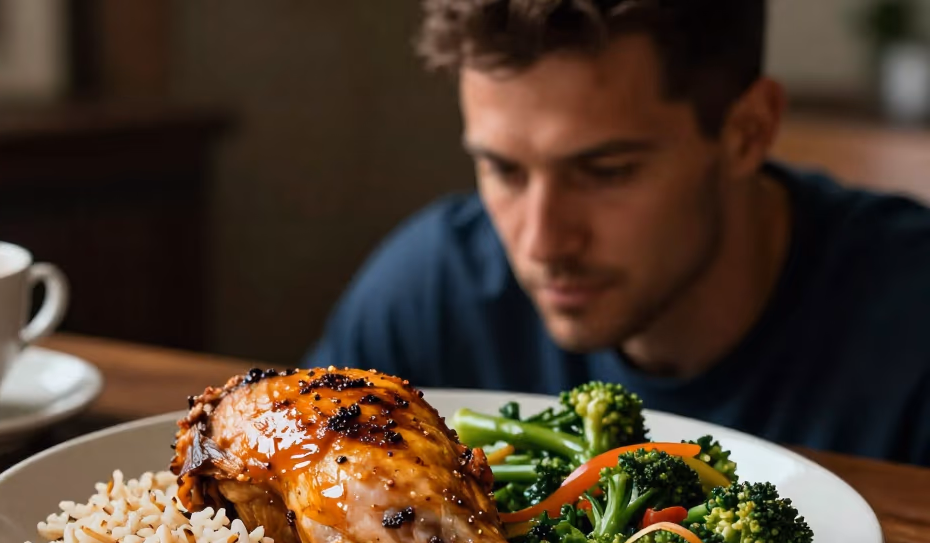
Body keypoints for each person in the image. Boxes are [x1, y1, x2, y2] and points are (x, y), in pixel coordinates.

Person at [302, 0, 930, 466]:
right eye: (503, 169)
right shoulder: (431, 289)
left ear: (749, 130)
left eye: (605, 172)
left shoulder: (909, 317)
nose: (542, 243)